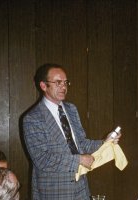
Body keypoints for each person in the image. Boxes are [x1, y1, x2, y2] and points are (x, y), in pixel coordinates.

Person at [23, 63, 121, 200]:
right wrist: (79, 160)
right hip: (53, 190)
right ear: (43, 86)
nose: (63, 87)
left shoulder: (71, 109)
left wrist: (104, 142)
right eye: (58, 82)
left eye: (65, 82)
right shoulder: (33, 118)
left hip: (80, 185)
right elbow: (42, 159)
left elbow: (80, 143)